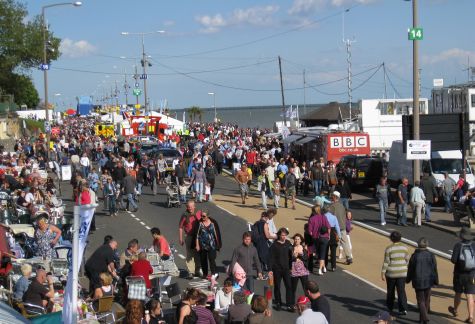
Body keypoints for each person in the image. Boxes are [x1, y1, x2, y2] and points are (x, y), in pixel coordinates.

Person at [406, 237, 439, 324]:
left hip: (418, 281)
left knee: (421, 300)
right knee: (427, 300)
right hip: (429, 280)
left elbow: (410, 269)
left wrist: (407, 279)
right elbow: (434, 269)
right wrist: (436, 281)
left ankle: (424, 317)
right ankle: (422, 319)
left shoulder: (414, 256)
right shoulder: (431, 255)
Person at [449, 227, 475, 323]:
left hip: (459, 274)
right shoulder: (474, 245)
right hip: (472, 274)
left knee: (458, 293)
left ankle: (455, 310)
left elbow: (453, 260)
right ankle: (471, 317)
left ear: (461, 236)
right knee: (470, 295)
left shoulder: (458, 245)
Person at [381, 231, 409, 315]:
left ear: (391, 239)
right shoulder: (405, 248)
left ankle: (390, 307)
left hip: (391, 273)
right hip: (402, 273)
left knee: (391, 290)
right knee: (401, 291)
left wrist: (382, 272)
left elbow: (386, 262)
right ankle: (403, 309)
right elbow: (407, 259)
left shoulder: (389, 248)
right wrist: (403, 267)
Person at [268, 227, 292, 311]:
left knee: (289, 286)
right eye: (282, 235)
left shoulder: (288, 243)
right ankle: (278, 302)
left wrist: (291, 267)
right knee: (277, 286)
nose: (284, 237)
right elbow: (270, 258)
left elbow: (291, 256)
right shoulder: (274, 245)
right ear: (279, 235)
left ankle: (289, 304)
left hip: (286, 269)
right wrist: (270, 269)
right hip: (277, 269)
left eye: (285, 235)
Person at [179, 201, 201, 279]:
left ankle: (197, 271)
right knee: (190, 255)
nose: (190, 208)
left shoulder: (199, 213)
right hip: (189, 236)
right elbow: (181, 227)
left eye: (191, 206)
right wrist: (180, 239)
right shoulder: (185, 215)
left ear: (194, 206)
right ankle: (191, 272)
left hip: (198, 237)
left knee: (198, 254)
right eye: (188, 207)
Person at [329, 191, 352, 265]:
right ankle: (349, 257)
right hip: (342, 226)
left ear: (335, 197)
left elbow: (330, 217)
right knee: (345, 242)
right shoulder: (342, 206)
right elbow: (344, 216)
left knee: (332, 242)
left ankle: (330, 257)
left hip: (335, 227)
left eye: (332, 195)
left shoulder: (332, 206)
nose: (331, 196)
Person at [196, 210, 220, 279]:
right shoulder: (200, 223)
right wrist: (197, 245)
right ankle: (205, 274)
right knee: (203, 260)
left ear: (208, 216)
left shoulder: (213, 223)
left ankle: (213, 273)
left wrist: (218, 244)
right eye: (201, 216)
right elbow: (197, 235)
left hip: (212, 245)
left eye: (204, 216)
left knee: (211, 259)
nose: (202, 217)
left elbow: (216, 234)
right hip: (203, 245)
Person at [290, 234, 309, 308]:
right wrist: (294, 257)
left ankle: (307, 303)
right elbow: (289, 258)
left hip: (303, 271)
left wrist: (301, 255)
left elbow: (306, 258)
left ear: (301, 240)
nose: (296, 240)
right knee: (292, 289)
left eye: (298, 239)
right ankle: (292, 304)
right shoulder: (291, 248)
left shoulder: (303, 248)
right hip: (294, 271)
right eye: (295, 239)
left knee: (305, 288)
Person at [323, 205, 341, 272]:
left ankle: (325, 265)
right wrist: (339, 236)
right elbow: (337, 227)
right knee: (333, 252)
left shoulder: (323, 217)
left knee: (325, 251)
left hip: (325, 233)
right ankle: (333, 266)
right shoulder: (334, 217)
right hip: (333, 233)